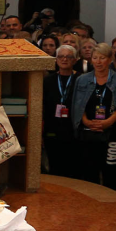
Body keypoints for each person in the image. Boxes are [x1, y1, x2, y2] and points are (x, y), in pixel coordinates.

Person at [72, 43, 116, 190]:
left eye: (102, 58)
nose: (98, 62)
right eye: (95, 58)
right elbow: (77, 105)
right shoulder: (82, 79)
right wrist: (86, 122)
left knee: (111, 171)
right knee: (89, 171)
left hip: (114, 131)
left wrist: (108, 122)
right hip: (89, 131)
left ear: (110, 59)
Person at [43, 45, 79, 179]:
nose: (64, 59)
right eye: (61, 56)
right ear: (56, 59)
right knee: (54, 165)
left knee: (72, 166)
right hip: (52, 127)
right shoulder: (48, 80)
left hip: (73, 128)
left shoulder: (80, 80)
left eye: (68, 56)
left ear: (75, 60)